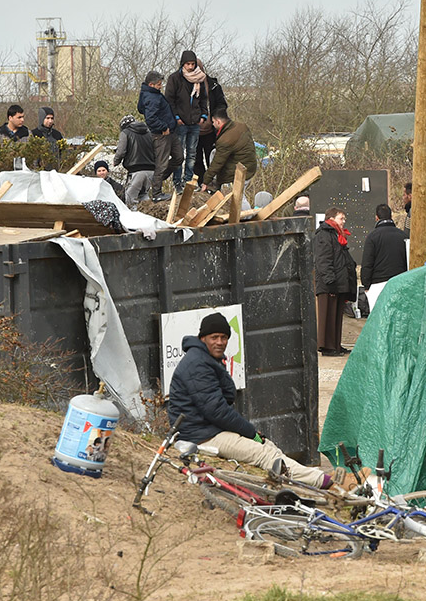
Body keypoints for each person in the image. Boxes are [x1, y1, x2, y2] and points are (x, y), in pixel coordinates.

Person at [168, 312, 332, 488]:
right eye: (214, 337)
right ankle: (324, 482)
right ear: (203, 338)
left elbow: (225, 397)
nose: (220, 342)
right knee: (263, 454)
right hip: (200, 436)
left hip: (208, 429)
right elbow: (217, 411)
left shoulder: (208, 360)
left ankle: (303, 482)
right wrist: (250, 432)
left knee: (268, 446)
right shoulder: (197, 364)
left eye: (224, 337)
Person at [165, 50, 227, 184]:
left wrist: (205, 115)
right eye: (189, 64)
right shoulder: (175, 79)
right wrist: (176, 117)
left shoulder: (206, 81)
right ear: (183, 64)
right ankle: (180, 182)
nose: (191, 67)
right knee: (181, 155)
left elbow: (206, 99)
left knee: (196, 156)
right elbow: (170, 100)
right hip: (181, 123)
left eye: (193, 64)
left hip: (201, 125)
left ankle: (195, 181)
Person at [313, 207, 356, 356]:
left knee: (336, 315)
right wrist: (330, 280)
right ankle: (327, 346)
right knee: (328, 316)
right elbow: (323, 260)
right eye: (341, 219)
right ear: (331, 219)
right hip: (329, 283)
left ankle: (336, 344)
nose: (343, 222)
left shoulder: (336, 234)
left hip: (337, 281)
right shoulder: (324, 234)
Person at [137, 71, 180, 202]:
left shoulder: (153, 94)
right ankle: (156, 193)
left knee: (179, 157)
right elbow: (150, 119)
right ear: (151, 84)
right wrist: (163, 127)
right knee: (161, 164)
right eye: (159, 84)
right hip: (161, 135)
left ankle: (157, 180)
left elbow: (140, 109)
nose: (161, 86)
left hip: (171, 133)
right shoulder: (151, 97)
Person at [200, 108, 258, 193]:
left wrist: (206, 181)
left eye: (213, 122)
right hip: (250, 165)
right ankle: (215, 181)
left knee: (238, 198)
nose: (213, 124)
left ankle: (216, 184)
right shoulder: (241, 126)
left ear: (218, 121)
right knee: (214, 152)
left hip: (243, 172)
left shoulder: (225, 140)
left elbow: (218, 162)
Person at [113, 115, 157, 208]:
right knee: (143, 195)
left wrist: (116, 161)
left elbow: (121, 151)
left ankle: (132, 219)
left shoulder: (125, 132)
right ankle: (148, 214)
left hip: (136, 170)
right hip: (151, 170)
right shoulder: (149, 132)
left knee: (130, 196)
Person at [361, 204, 407, 293]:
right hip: (400, 281)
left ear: (376, 218)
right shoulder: (403, 235)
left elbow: (367, 263)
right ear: (391, 216)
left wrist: (366, 285)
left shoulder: (372, 237)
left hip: (378, 283)